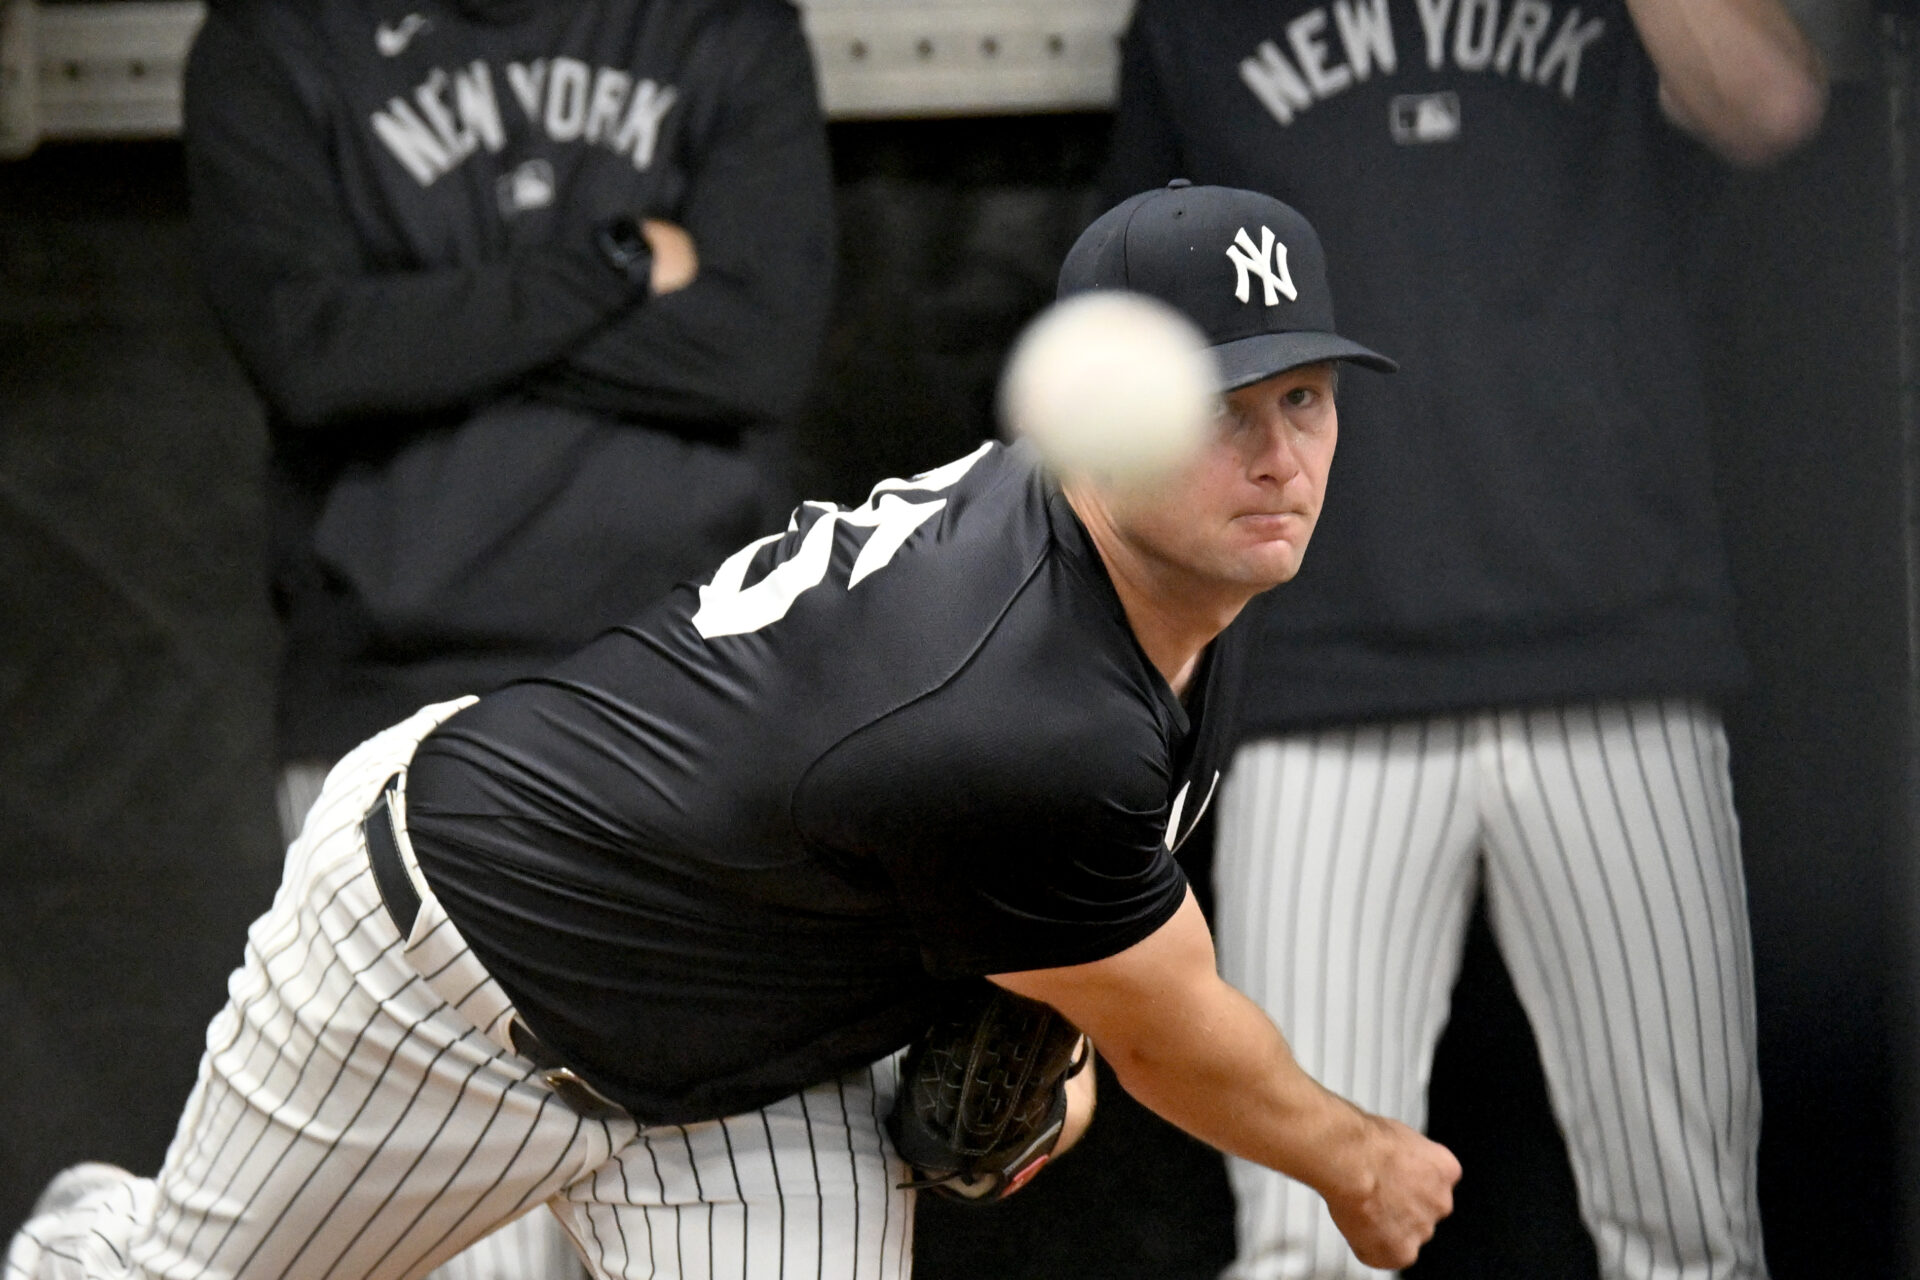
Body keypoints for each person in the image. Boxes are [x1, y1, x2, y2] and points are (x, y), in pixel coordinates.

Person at [6, 183, 1459, 1280]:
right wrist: (1363, 1163)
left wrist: (1054, 1060)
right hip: (448, 972)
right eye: (1218, 405)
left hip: (745, 1067)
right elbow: (1178, 1043)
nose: (1279, 454)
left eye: (1306, 396)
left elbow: (1095, 1005)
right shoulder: (1018, 705)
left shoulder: (1194, 571)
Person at [1103, 3, 1826, 1278]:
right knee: (1303, 1244)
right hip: (1321, 676)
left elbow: (1771, 106)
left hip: (1617, 658)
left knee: (1691, 1236)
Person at [179, 0, 835, 842]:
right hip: (389, 718)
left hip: (696, 690)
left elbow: (757, 352)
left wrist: (423, 330)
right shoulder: (275, 33)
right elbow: (315, 358)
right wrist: (614, 265)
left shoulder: (723, 21)